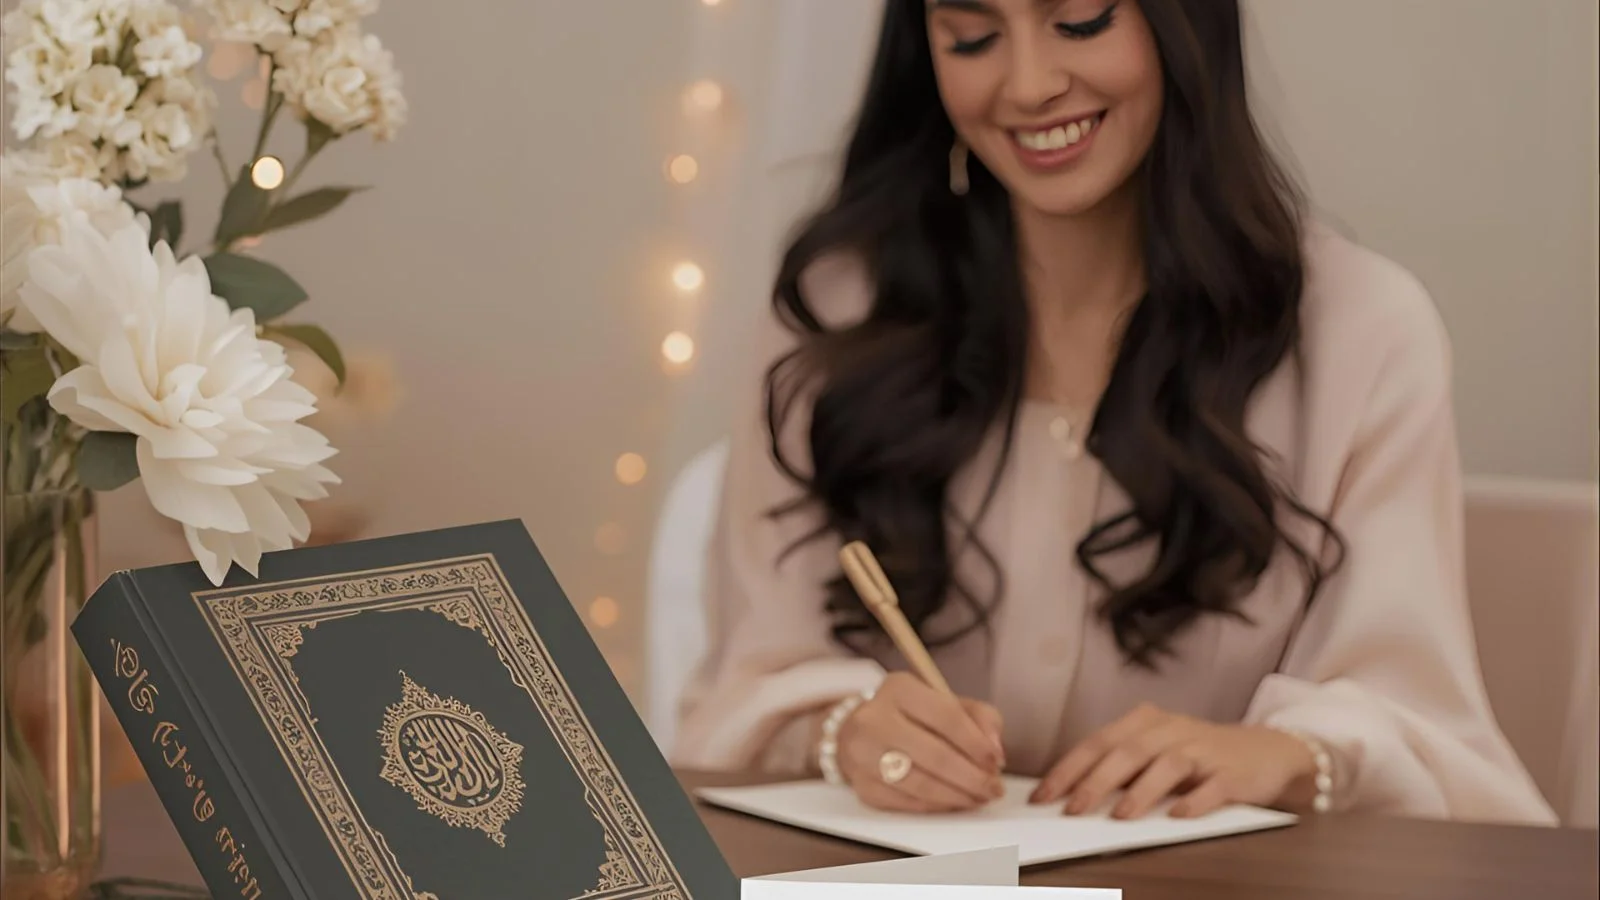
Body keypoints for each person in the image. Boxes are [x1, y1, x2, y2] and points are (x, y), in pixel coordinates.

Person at [670, 0, 1557, 825]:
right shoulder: (837, 311)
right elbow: (745, 689)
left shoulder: (1362, 337)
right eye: (971, 38)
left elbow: (1422, 726)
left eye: (1080, 20)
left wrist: (1279, 754)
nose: (1026, 85)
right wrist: (847, 729)